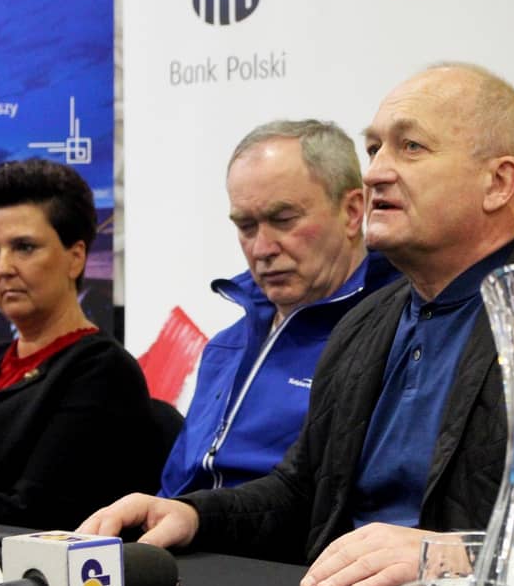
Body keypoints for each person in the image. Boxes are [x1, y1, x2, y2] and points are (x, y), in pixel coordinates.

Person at [80, 63, 514, 586]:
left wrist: (457, 558)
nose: (375, 171)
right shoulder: (366, 323)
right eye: (374, 147)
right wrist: (191, 514)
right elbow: (301, 493)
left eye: (410, 148)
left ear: (498, 182)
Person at [0, 158, 166, 530]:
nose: (2, 267)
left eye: (24, 247)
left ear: (76, 258)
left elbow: (38, 511)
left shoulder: (102, 370)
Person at [158, 120, 400, 497]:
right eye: (246, 226)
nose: (261, 248)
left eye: (283, 220)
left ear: (353, 212)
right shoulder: (226, 346)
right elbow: (173, 489)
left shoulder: (395, 338)